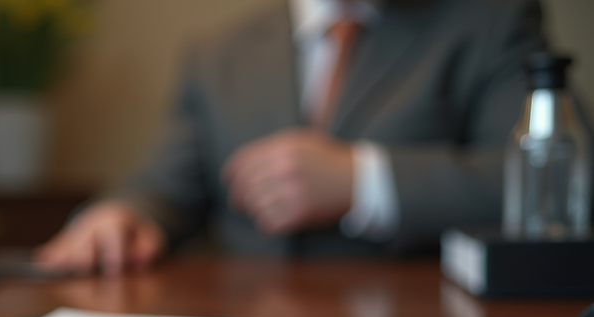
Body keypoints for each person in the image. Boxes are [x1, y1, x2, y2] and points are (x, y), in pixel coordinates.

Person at [35, 0, 557, 274]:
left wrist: (361, 182)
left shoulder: (493, 22)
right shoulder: (216, 52)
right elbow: (167, 186)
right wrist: (125, 213)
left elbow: (555, 184)